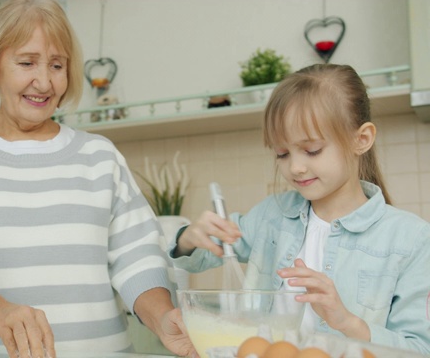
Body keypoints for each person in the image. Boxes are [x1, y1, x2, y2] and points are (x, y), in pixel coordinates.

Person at [0, 0, 197, 357]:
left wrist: (164, 318)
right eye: (26, 63)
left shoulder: (100, 157)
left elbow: (138, 259)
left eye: (57, 65)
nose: (43, 81)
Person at [170, 64, 430, 354]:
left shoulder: (411, 240)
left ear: (362, 139)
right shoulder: (271, 217)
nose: (295, 167)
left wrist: (345, 321)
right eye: (282, 153)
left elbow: (418, 348)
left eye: (312, 150)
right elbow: (197, 258)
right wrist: (190, 238)